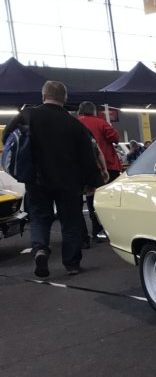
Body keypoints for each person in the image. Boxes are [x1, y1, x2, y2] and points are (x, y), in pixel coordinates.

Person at [1, 81, 103, 277]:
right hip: (69, 181)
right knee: (70, 221)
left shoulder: (27, 115)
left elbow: (7, 137)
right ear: (65, 98)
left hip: (36, 178)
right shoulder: (74, 123)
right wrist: (92, 182)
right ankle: (72, 264)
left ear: (43, 96)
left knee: (39, 217)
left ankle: (40, 249)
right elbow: (87, 156)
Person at [77, 101, 119, 241]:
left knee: (89, 202)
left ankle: (92, 232)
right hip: (107, 165)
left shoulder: (75, 123)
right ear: (94, 111)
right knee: (108, 200)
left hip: (83, 168)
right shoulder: (101, 122)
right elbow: (115, 137)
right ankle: (109, 229)